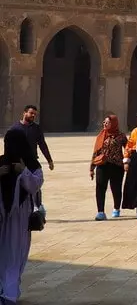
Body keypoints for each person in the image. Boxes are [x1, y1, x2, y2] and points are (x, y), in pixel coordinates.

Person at [0, 128, 44, 304]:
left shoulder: (32, 165)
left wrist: (23, 171)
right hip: (3, 217)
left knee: (15, 255)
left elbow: (35, 186)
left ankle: (9, 293)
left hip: (20, 218)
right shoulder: (2, 162)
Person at [10, 105, 53, 213]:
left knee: (35, 185)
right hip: (19, 163)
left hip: (32, 162)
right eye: (31, 113)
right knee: (19, 186)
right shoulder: (15, 129)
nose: (33, 115)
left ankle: (37, 206)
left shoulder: (36, 128)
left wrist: (49, 160)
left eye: (34, 114)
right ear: (24, 113)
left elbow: (42, 144)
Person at [90, 114, 127, 220]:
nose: (105, 124)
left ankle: (116, 208)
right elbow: (96, 151)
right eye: (104, 122)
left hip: (116, 166)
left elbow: (128, 149)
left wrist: (126, 161)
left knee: (116, 188)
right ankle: (100, 212)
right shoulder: (101, 135)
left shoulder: (121, 136)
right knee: (100, 188)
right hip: (102, 165)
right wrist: (92, 168)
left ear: (114, 124)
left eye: (108, 122)